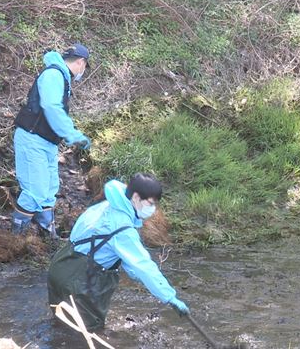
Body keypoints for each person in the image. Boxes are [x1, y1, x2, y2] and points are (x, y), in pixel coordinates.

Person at [47, 173, 189, 331]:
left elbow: (124, 257)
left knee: (63, 325)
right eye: (150, 203)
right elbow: (143, 265)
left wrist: (138, 277)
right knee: (87, 333)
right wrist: (169, 297)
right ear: (136, 197)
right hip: (79, 282)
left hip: (61, 266)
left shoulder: (106, 206)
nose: (153, 209)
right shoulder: (122, 228)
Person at [10, 43, 92, 237]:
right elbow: (52, 107)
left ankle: (48, 237)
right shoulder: (53, 75)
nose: (83, 71)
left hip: (46, 142)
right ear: (81, 62)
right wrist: (72, 134)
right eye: (84, 67)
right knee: (35, 191)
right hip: (32, 139)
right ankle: (15, 239)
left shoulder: (62, 77)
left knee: (48, 191)